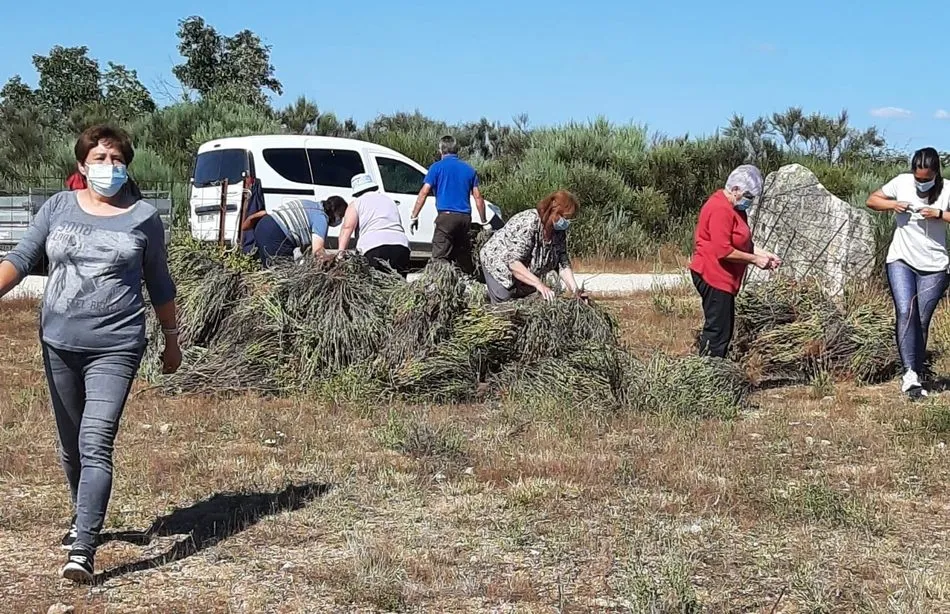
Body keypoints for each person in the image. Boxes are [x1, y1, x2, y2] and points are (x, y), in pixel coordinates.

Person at [0, 124, 180, 583]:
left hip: (117, 345)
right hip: (58, 341)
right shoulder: (58, 207)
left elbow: (159, 283)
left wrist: (171, 338)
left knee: (95, 441)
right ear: (82, 165)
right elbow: (21, 258)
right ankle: (83, 516)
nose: (109, 167)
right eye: (99, 159)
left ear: (127, 165)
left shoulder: (143, 217)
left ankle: (83, 547)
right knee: (70, 445)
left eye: (117, 159)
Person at [866, 147, 950, 399]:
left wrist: (939, 214)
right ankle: (910, 374)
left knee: (921, 320)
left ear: (936, 174)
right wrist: (893, 204)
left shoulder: (947, 189)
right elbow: (871, 200)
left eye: (926, 179)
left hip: (934, 265)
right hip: (901, 259)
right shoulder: (901, 182)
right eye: (918, 178)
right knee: (905, 311)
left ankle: (917, 366)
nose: (921, 183)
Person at [689, 164, 781, 359]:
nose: (750, 202)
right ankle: (708, 375)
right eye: (748, 197)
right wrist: (755, 260)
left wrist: (765, 255)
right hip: (713, 275)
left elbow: (742, 243)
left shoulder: (737, 209)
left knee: (724, 329)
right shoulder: (719, 208)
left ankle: (715, 370)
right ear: (736, 189)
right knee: (717, 332)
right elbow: (723, 250)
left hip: (725, 279)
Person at [479, 190, 588, 304]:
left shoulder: (558, 232)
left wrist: (576, 291)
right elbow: (513, 263)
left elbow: (562, 263)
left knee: (527, 303)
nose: (567, 222)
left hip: (524, 274)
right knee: (505, 304)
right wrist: (539, 284)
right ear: (554, 211)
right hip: (498, 265)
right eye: (565, 217)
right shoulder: (529, 222)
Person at [410, 135, 488, 274]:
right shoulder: (469, 170)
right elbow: (478, 198)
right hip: (464, 218)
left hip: (446, 217)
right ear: (456, 150)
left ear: (441, 150)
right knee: (461, 256)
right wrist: (484, 221)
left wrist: (414, 215)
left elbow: (424, 192)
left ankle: (441, 287)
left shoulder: (436, 168)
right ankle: (466, 283)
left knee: (440, 257)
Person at [338, 173, 412, 277]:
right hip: (401, 246)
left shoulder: (356, 203)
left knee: (374, 286)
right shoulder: (389, 200)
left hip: (373, 247)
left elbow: (347, 228)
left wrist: (340, 255)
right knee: (398, 285)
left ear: (356, 192)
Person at [241, 196, 348, 267]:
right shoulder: (321, 218)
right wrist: (334, 261)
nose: (341, 220)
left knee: (269, 268)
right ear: (336, 213)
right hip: (277, 234)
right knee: (281, 275)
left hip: (263, 225)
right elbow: (318, 251)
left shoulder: (310, 204)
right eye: (342, 216)